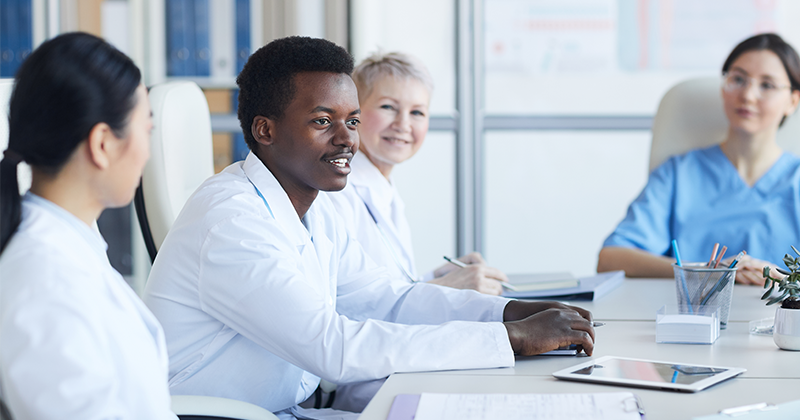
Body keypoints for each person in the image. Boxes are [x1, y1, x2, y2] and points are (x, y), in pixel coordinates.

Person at [143, 36, 595, 420]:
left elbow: (389, 298)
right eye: (323, 121)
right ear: (265, 130)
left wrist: (509, 312)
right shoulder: (232, 221)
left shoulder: (312, 207)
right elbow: (333, 347)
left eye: (352, 120)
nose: (347, 139)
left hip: (286, 410)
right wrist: (510, 340)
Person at [0, 33, 175, 419]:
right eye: (146, 130)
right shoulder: (44, 277)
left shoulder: (70, 244)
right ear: (102, 144)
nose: (148, 151)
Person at [597, 33, 800, 285]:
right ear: (723, 88)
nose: (748, 95)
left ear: (793, 100)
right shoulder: (679, 174)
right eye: (738, 79)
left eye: (767, 85)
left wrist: (785, 279)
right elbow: (610, 259)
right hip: (690, 318)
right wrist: (710, 270)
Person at [326, 52, 508, 295]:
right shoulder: (336, 192)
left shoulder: (384, 188)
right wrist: (443, 288)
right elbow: (346, 302)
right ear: (354, 113)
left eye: (417, 112)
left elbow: (387, 286)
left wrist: (435, 279)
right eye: (388, 107)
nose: (403, 124)